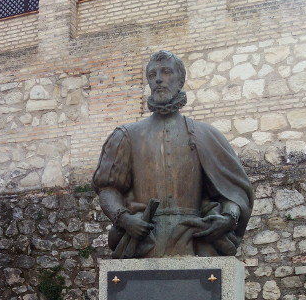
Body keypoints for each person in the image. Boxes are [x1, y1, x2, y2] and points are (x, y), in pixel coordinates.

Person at [92, 50, 254, 258]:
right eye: (152, 75)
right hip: (145, 240)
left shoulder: (206, 134)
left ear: (180, 80)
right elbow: (108, 188)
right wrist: (125, 220)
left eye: (166, 72)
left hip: (196, 241)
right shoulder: (126, 136)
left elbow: (234, 191)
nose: (158, 79)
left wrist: (229, 217)